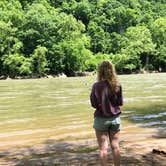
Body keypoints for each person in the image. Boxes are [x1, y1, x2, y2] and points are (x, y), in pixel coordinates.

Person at [90, 60, 123, 166]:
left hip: (101, 119)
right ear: (112, 70)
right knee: (115, 146)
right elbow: (120, 102)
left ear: (100, 71)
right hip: (115, 119)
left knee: (103, 149)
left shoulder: (96, 86)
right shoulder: (117, 84)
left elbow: (94, 104)